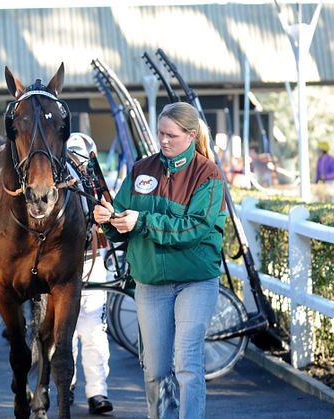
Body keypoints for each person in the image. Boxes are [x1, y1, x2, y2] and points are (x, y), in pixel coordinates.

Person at [93, 102, 226, 419]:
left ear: (191, 136)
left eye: (171, 135)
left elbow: (194, 228)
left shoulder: (208, 174)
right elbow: (124, 227)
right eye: (160, 134)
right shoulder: (141, 169)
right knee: (154, 369)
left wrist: (139, 222)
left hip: (195, 281)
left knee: (187, 361)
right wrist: (108, 220)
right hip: (150, 283)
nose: (163, 140)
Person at [66, 133, 114, 415]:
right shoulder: (57, 184)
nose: (77, 162)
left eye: (81, 156)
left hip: (93, 262)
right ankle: (67, 384)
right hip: (62, 266)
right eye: (71, 155)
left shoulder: (98, 187)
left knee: (94, 331)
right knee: (64, 332)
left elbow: (112, 218)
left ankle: (97, 391)